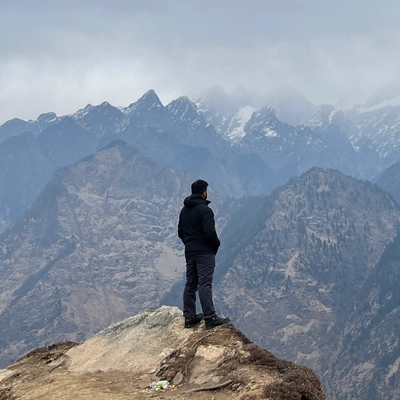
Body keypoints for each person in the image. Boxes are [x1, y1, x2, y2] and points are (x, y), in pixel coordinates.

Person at [178, 179, 230, 329]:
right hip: (204, 252)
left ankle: (189, 317)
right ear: (204, 192)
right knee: (205, 283)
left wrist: (189, 244)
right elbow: (209, 233)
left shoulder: (184, 210)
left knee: (191, 283)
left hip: (190, 251)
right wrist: (215, 245)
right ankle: (210, 317)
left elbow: (180, 232)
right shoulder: (205, 210)